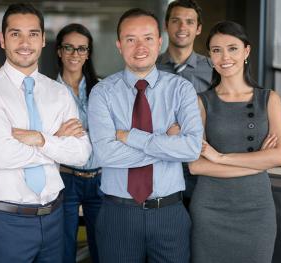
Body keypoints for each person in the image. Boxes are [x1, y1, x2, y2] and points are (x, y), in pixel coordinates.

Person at [0, 3, 92, 263]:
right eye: (15, 34)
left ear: (44, 40)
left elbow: (82, 154)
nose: (25, 42)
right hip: (7, 222)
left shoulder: (58, 93)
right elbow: (2, 156)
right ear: (2, 39)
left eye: (33, 34)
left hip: (54, 218)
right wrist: (56, 143)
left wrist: (41, 138)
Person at [88, 8, 203, 263]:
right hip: (118, 215)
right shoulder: (102, 92)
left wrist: (131, 137)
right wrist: (167, 144)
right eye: (131, 39)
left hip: (169, 214)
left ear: (159, 42)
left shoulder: (181, 89)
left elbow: (192, 148)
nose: (140, 46)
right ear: (119, 45)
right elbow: (105, 153)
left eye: (148, 38)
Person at [188, 21, 281, 263]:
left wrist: (220, 157)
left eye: (232, 48)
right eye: (216, 50)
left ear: (247, 51)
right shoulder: (200, 101)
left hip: (256, 211)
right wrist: (257, 162)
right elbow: (196, 166)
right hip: (210, 211)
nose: (225, 57)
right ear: (210, 57)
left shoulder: (269, 99)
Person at [156, 0, 213, 207]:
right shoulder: (150, 68)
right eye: (176, 21)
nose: (182, 28)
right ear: (166, 25)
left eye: (189, 22)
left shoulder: (213, 69)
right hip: (162, 161)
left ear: (198, 29)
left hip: (202, 162)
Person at [55, 23, 101, 263]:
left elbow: (113, 132)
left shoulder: (102, 88)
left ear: (88, 53)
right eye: (69, 48)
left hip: (101, 179)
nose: (75, 54)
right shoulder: (47, 90)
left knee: (103, 248)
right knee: (64, 250)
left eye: (81, 49)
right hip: (65, 179)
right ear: (59, 51)